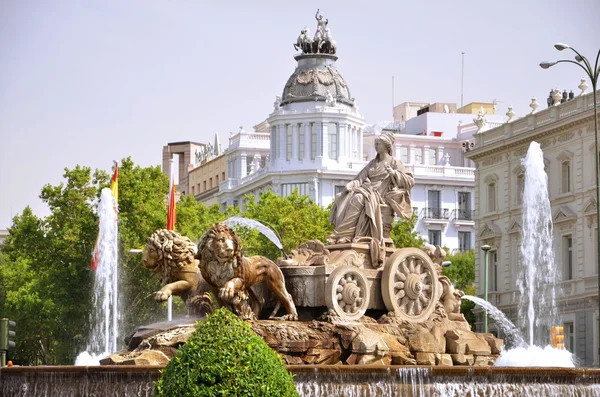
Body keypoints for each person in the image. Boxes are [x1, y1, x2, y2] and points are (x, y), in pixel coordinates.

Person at [328, 131, 414, 245]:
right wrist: (350, 185)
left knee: (358, 198)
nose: (376, 146)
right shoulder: (372, 163)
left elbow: (410, 181)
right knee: (345, 197)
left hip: (381, 193)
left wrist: (394, 173)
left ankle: (344, 234)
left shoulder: (394, 162)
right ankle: (344, 234)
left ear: (386, 146)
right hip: (368, 190)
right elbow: (360, 178)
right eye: (376, 143)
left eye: (379, 144)